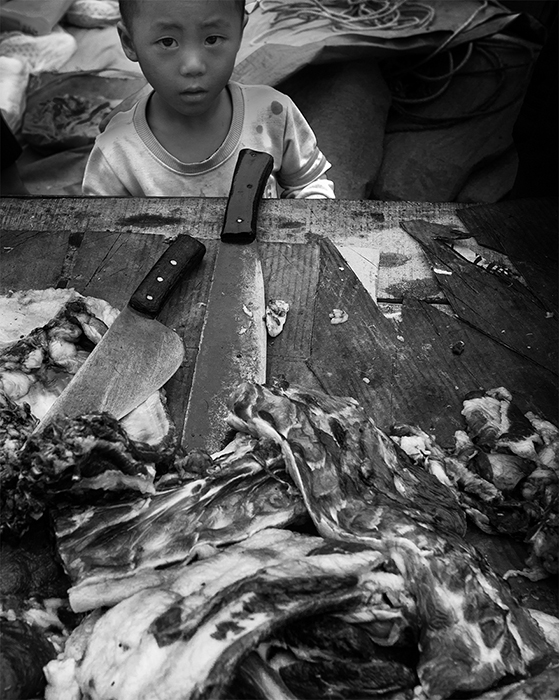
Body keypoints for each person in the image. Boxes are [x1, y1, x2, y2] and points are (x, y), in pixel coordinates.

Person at [82, 0, 335, 198]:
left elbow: (309, 186)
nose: (193, 66)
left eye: (212, 39)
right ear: (129, 43)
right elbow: (101, 233)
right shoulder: (115, 152)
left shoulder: (272, 114)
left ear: (240, 31)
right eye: (168, 42)